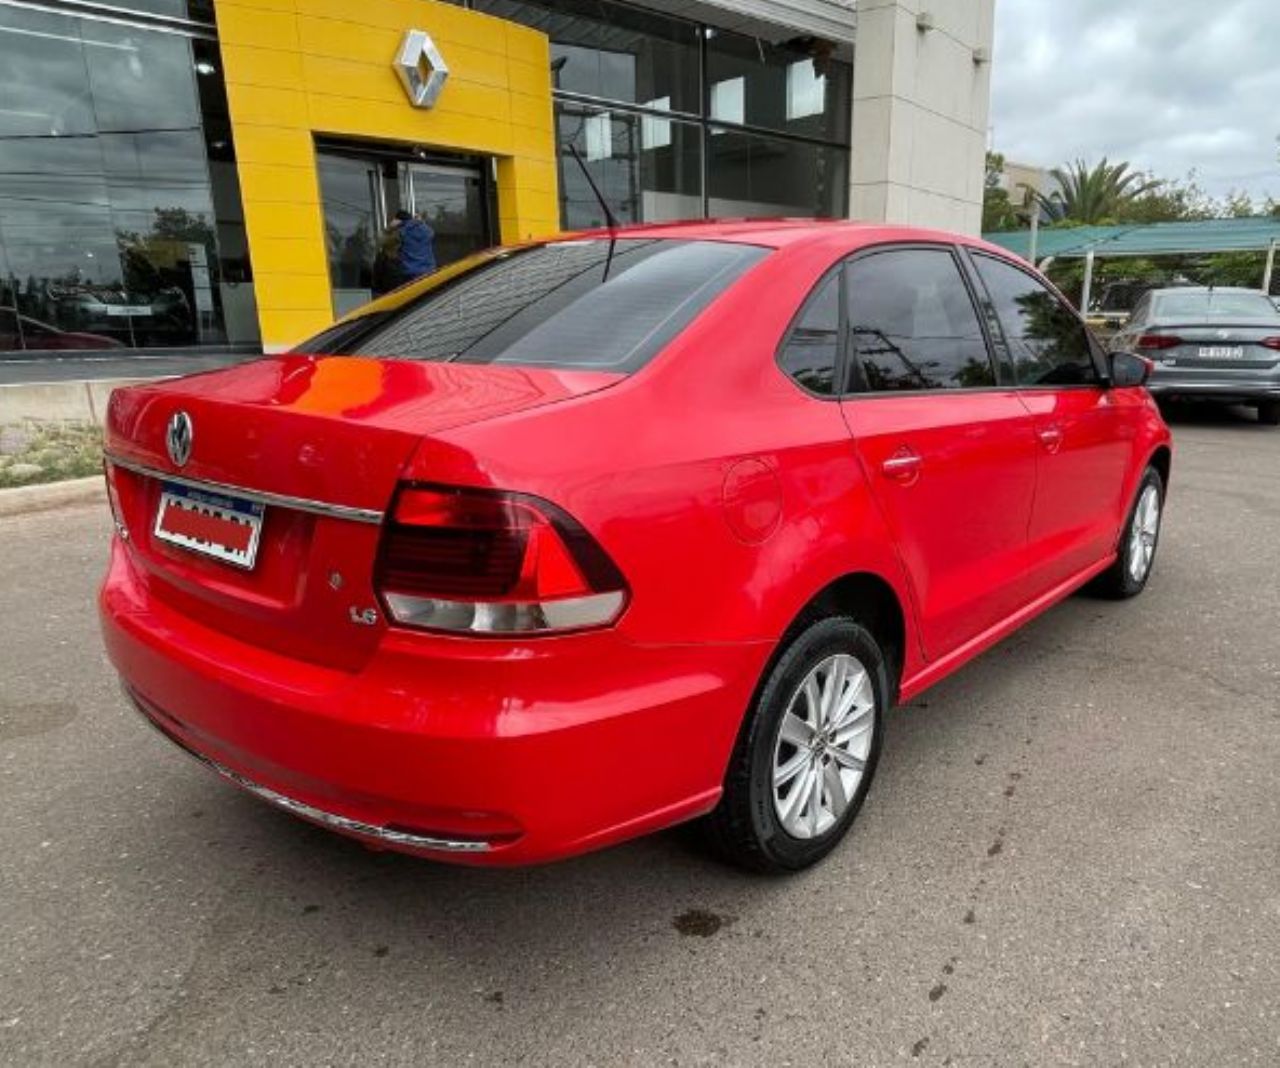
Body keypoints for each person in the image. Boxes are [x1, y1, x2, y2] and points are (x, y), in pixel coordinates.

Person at [393, 209, 437, 282]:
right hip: (429, 271)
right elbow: (431, 233)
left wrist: (391, 227)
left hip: (411, 274)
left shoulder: (401, 232)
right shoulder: (426, 229)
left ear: (399, 220)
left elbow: (388, 245)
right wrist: (420, 222)